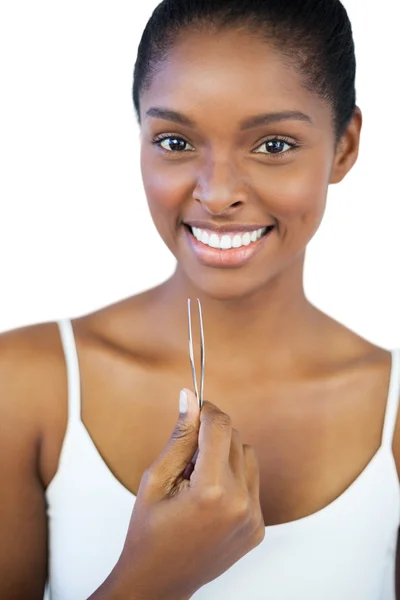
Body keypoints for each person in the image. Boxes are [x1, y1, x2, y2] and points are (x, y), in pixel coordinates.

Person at [0, 0, 399, 598]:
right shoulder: (26, 386)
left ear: (344, 147)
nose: (216, 194)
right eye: (175, 140)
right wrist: (156, 575)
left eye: (272, 145)